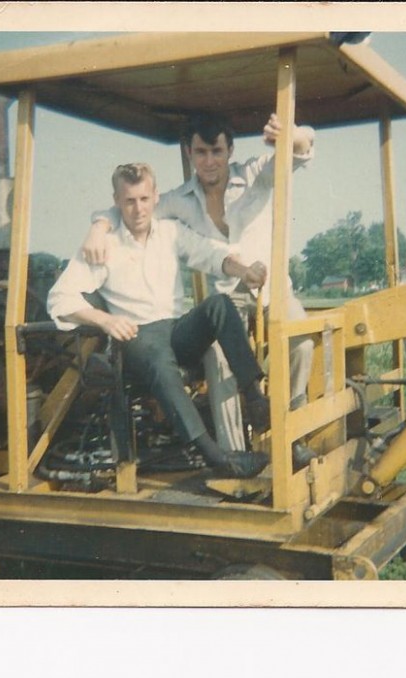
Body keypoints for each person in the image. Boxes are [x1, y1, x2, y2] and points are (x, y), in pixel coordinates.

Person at [82, 114, 316, 468]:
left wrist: (292, 134)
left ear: (230, 151)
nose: (210, 161)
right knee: (217, 358)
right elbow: (131, 208)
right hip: (225, 301)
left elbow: (301, 150)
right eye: (201, 152)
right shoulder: (177, 200)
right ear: (189, 153)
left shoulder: (256, 174)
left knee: (302, 340)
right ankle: (236, 454)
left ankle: (294, 435)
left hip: (272, 291)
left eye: (217, 151)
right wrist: (98, 227)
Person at [47, 162, 272, 479]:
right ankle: (216, 456)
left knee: (219, 304)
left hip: (175, 330)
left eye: (143, 199)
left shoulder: (170, 232)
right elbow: (59, 299)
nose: (138, 209)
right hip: (136, 337)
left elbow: (210, 253)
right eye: (129, 201)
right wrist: (104, 320)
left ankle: (255, 397)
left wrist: (244, 270)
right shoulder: (103, 246)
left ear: (155, 197)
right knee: (155, 355)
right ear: (117, 201)